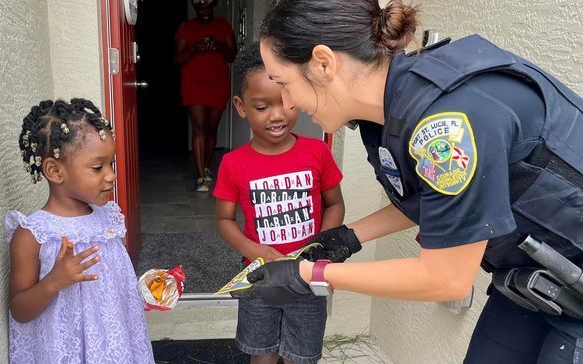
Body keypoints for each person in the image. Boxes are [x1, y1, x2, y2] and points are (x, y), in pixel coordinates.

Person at [232, 0, 583, 363]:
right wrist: (350, 236)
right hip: (534, 277)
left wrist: (311, 274)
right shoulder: (385, 114)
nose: (287, 102)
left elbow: (445, 278)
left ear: (323, 63)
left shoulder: (447, 122)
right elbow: (436, 198)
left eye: (284, 83)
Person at [214, 42, 345, 364]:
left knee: (301, 355)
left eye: (286, 102)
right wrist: (256, 252)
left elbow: (335, 205)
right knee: (262, 353)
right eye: (262, 107)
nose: (277, 115)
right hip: (260, 277)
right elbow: (224, 221)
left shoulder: (316, 152)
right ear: (241, 107)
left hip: (307, 274)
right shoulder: (233, 163)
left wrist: (320, 246)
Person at [6, 99, 155, 363]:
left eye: (112, 164)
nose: (111, 176)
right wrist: (53, 281)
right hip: (68, 349)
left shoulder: (107, 218)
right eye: (98, 167)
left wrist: (143, 288)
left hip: (113, 343)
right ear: (54, 170)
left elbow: (111, 282)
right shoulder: (34, 235)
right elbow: (19, 310)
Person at [175, 0, 237, 192]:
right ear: (194, 6)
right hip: (194, 85)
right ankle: (200, 176)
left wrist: (217, 45)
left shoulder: (223, 26)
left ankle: (207, 167)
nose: (204, 8)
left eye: (207, 3)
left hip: (218, 85)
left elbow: (232, 55)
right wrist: (196, 48)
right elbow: (178, 59)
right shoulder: (187, 28)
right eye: (199, 4)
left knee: (211, 129)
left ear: (214, 4)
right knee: (199, 127)